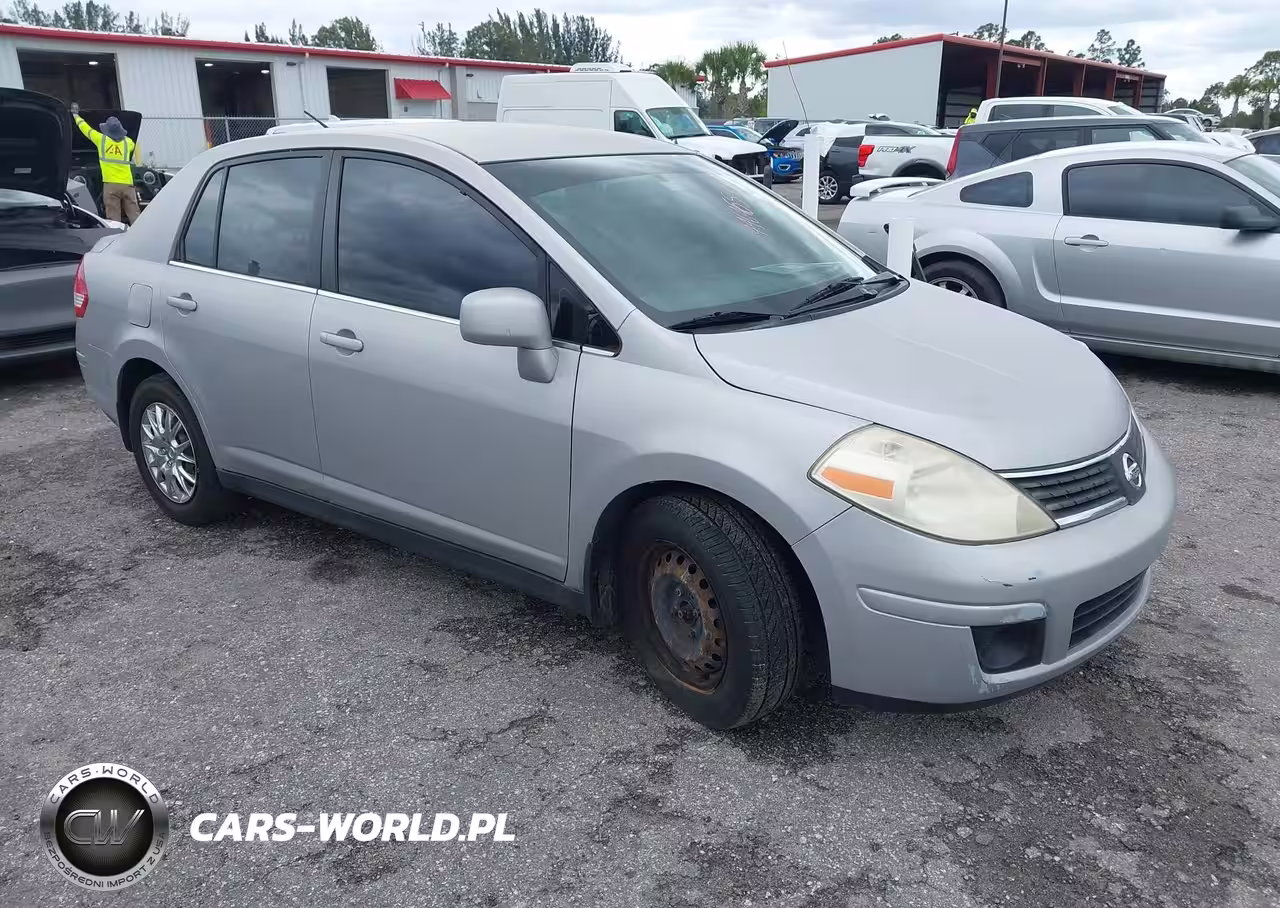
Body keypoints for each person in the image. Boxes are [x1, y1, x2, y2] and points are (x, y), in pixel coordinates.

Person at [70, 102, 140, 224]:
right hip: (127, 185)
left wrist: (76, 115)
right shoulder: (128, 143)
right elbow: (132, 145)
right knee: (134, 214)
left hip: (111, 185)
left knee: (113, 217)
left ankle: (115, 239)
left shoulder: (101, 140)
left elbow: (85, 128)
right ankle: (141, 234)